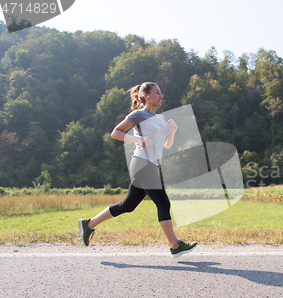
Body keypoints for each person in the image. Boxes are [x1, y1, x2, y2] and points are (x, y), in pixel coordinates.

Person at [78, 82, 197, 258]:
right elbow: (116, 132)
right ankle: (175, 245)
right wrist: (137, 140)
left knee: (128, 205)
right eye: (157, 92)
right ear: (146, 96)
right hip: (141, 162)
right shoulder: (138, 115)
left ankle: (89, 224)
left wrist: (172, 132)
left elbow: (167, 145)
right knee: (163, 203)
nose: (161, 95)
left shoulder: (161, 119)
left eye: (161, 92)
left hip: (152, 165)